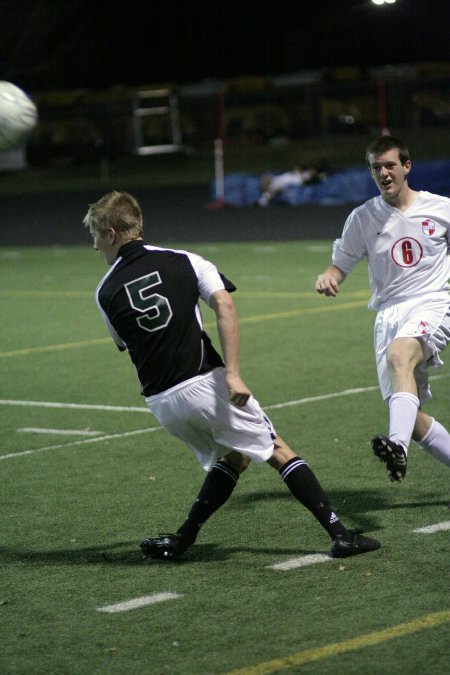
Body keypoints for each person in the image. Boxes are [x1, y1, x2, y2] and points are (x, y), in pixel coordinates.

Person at [83, 190, 380, 560]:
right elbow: (223, 302)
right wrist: (234, 373)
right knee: (277, 449)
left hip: (161, 404)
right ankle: (341, 534)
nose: (95, 246)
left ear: (112, 234)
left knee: (237, 456)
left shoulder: (104, 291)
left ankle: (183, 537)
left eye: (95, 236)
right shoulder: (185, 260)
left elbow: (128, 343)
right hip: (204, 384)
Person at [315, 136, 450, 483]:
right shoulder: (363, 218)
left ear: (407, 167)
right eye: (376, 167)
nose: (384, 173)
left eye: (390, 165)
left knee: (399, 357)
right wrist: (330, 276)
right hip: (388, 314)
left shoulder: (441, 209)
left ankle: (397, 451)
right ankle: (402, 441)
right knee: (411, 419)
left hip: (433, 301)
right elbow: (340, 263)